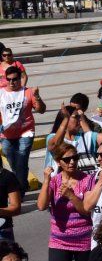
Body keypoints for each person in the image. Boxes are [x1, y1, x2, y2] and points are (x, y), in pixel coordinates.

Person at [37, 144, 91, 261]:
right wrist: (46, 181)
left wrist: (71, 196)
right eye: (67, 159)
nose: (72, 162)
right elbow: (41, 206)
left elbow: (86, 211)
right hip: (59, 240)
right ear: (58, 162)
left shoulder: (87, 180)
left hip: (83, 240)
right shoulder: (54, 181)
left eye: (75, 158)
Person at [0, 65, 46, 196]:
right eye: (9, 79)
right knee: (14, 164)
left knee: (21, 160)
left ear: (20, 79)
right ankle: (22, 183)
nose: (11, 82)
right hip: (6, 135)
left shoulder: (28, 92)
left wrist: (37, 97)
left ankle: (19, 193)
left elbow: (41, 110)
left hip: (26, 132)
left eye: (15, 79)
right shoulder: (1, 93)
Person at [46, 104, 100, 175]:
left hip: (85, 180)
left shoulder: (85, 137)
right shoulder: (52, 137)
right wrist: (66, 119)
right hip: (60, 181)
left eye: (79, 117)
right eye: (76, 117)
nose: (79, 119)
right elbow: (55, 144)